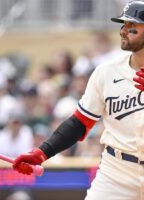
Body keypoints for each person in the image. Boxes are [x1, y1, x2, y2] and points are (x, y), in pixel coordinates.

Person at [13, 1, 144, 199]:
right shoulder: (106, 72)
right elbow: (80, 122)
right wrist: (42, 152)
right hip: (117, 172)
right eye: (123, 25)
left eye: (131, 27)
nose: (123, 31)